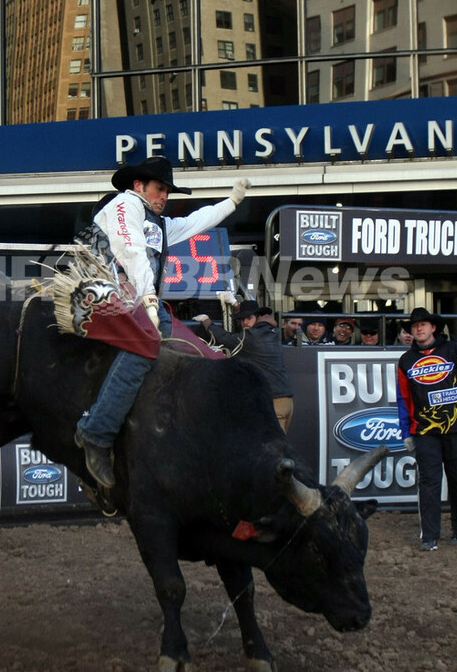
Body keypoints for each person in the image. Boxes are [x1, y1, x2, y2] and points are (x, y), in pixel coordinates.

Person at [74, 156, 251, 487]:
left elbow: (197, 221)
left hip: (138, 304)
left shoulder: (159, 224)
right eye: (159, 188)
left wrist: (231, 202)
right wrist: (149, 299)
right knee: (143, 349)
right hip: (101, 297)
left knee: (198, 354)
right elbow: (130, 250)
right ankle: (96, 433)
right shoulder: (125, 204)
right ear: (138, 186)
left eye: (167, 191)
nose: (164, 196)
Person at [397, 307, 457, 551]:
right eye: (414, 325)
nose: (419, 328)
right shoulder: (405, 360)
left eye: (423, 324)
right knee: (429, 481)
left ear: (433, 327)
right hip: (425, 430)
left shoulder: (454, 350)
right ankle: (429, 536)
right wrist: (406, 432)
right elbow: (403, 399)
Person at [194, 298, 294, 433]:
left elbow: (225, 338)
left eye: (249, 318)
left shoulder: (251, 337)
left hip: (272, 403)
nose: (245, 322)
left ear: (258, 317)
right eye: (242, 319)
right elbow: (243, 334)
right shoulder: (272, 331)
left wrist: (206, 321)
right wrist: (236, 306)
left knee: (272, 445)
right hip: (285, 401)